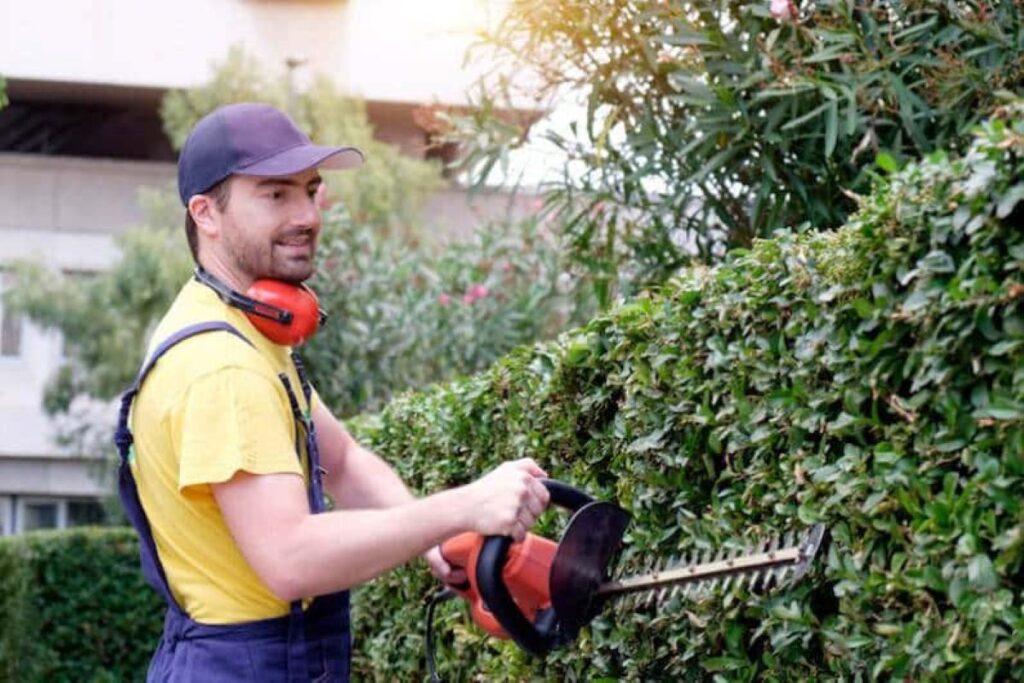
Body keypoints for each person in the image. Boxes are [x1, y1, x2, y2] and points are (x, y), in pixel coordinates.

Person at [113, 102, 551, 682]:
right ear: (206, 213)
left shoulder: (245, 333)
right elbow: (291, 558)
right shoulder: (221, 365)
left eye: (310, 190)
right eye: (275, 195)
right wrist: (464, 506)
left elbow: (343, 460)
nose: (307, 215)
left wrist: (435, 543)